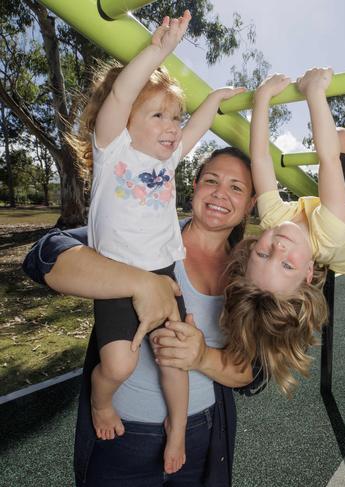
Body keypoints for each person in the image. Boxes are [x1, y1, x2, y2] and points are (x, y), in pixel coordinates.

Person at [65, 10, 245, 473]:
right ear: (126, 120)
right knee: (120, 365)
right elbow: (124, 91)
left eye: (175, 116)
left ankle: (177, 429)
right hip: (119, 278)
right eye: (159, 115)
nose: (172, 126)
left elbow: (197, 129)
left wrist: (216, 101)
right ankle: (102, 402)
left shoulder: (167, 163)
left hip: (164, 273)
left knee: (175, 358)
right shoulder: (113, 150)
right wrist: (158, 51)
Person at [23, 147, 261, 486]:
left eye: (237, 187)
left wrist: (201, 356)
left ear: (250, 203)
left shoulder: (250, 273)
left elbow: (250, 373)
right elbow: (44, 254)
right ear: (193, 185)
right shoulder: (141, 237)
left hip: (203, 435)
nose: (221, 193)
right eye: (212, 180)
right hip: (121, 434)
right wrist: (140, 282)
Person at [218, 69, 345, 396]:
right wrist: (315, 92)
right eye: (286, 265)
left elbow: (260, 157)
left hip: (343, 204)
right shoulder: (325, 236)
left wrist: (262, 98)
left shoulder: (273, 219)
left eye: (263, 254)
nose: (278, 249)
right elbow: (326, 160)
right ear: (306, 272)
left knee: (342, 135)